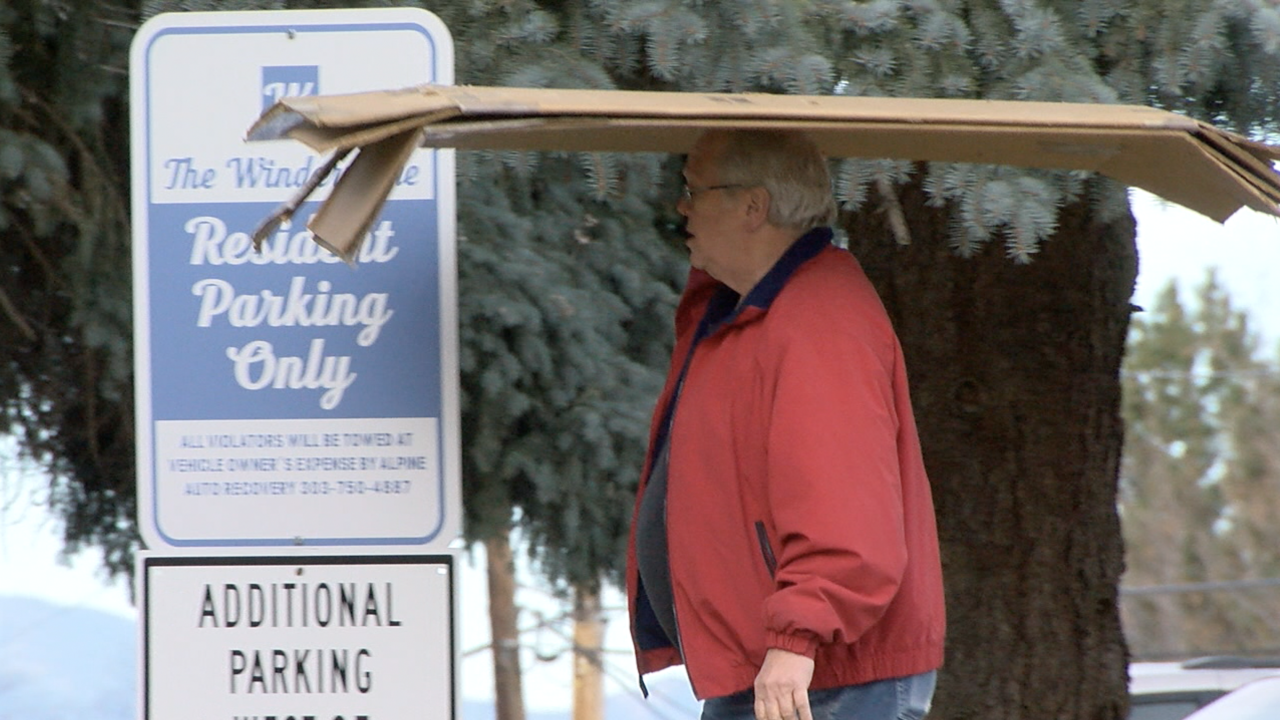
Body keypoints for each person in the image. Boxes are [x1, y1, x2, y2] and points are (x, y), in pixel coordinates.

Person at [626, 128, 947, 720]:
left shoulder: (818, 318)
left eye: (694, 189)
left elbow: (845, 508)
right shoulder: (745, 311)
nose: (681, 206)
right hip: (779, 669)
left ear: (754, 206)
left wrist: (797, 638)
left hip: (820, 678)